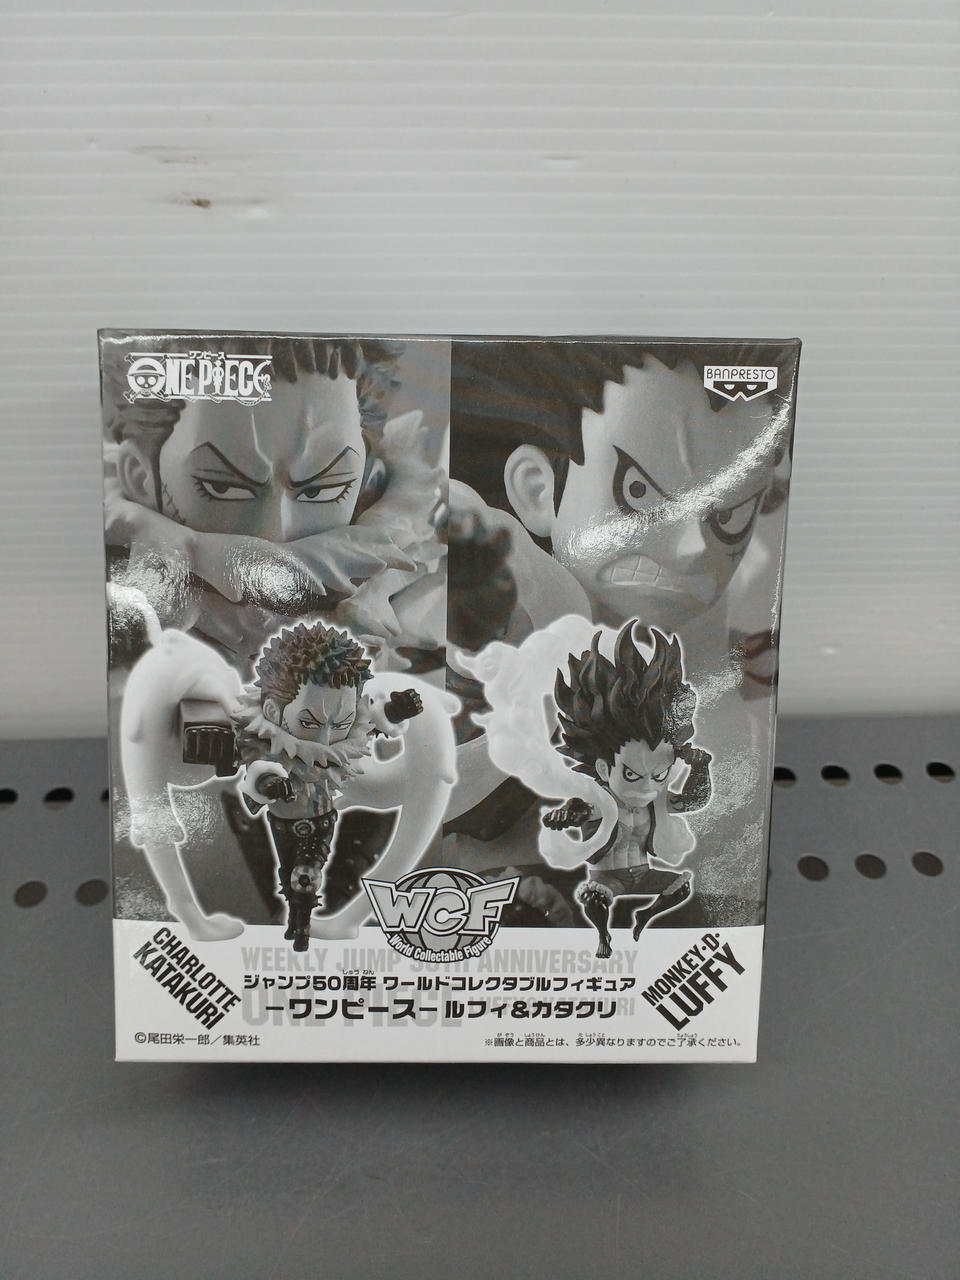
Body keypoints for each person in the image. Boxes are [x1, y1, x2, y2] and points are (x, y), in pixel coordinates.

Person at [103, 335, 445, 676]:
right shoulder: (112, 616)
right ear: (141, 478)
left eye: (321, 490)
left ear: (368, 480)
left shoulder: (415, 599)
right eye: (222, 487)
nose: (273, 534)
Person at [542, 624, 710, 958]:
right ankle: (603, 936)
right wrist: (563, 816)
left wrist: (700, 767)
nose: (647, 786)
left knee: (681, 885)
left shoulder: (655, 802)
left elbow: (694, 800)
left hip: (644, 875)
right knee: (593, 896)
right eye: (631, 774)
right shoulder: (597, 801)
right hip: (608, 879)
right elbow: (569, 814)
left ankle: (645, 915)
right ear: (605, 769)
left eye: (659, 775)